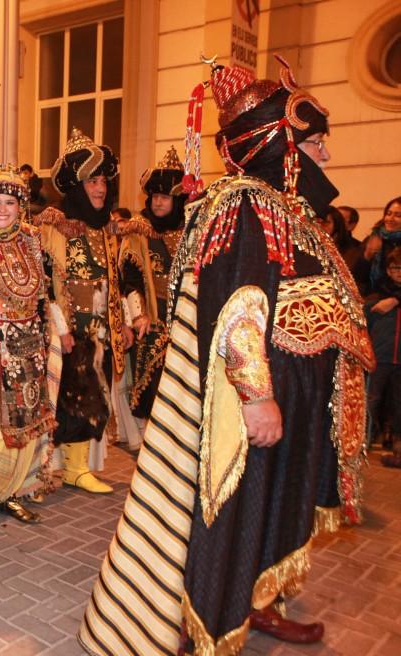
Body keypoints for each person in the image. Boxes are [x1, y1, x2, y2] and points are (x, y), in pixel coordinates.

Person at [79, 58, 374, 655]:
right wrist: (258, 397)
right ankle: (206, 626)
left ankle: (256, 600)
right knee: (232, 515)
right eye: (314, 144)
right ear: (281, 148)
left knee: (270, 511)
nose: (326, 156)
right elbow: (237, 308)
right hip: (252, 408)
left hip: (296, 399)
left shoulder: (286, 209)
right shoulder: (244, 206)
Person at [0, 164, 63, 523]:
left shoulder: (31, 239)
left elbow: (42, 295)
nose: (3, 210)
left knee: (28, 419)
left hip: (29, 343)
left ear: (21, 207)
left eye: (10, 203)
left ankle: (13, 491)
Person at [36, 128, 130, 494]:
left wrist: (122, 322)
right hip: (70, 333)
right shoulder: (56, 227)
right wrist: (61, 328)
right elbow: (48, 282)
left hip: (101, 331)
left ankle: (77, 468)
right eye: (92, 181)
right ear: (77, 186)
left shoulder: (105, 230)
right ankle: (68, 469)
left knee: (93, 400)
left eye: (104, 181)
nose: (100, 188)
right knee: (71, 401)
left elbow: (115, 279)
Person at [118, 146, 188, 421]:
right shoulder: (139, 231)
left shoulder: (189, 230)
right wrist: (139, 315)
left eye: (165, 197)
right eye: (155, 196)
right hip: (153, 319)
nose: (158, 202)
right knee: (153, 393)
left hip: (184, 319)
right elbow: (130, 280)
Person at [365, 248, 401, 463]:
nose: (399, 272)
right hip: (379, 358)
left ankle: (398, 445)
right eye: (395, 267)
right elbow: (364, 328)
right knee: (371, 399)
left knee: (399, 403)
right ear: (388, 270)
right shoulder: (376, 299)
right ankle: (364, 441)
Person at [354, 195, 401, 295]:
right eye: (388, 214)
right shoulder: (375, 237)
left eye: (398, 216)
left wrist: (395, 299)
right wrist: (367, 256)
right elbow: (356, 276)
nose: (390, 219)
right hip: (372, 295)